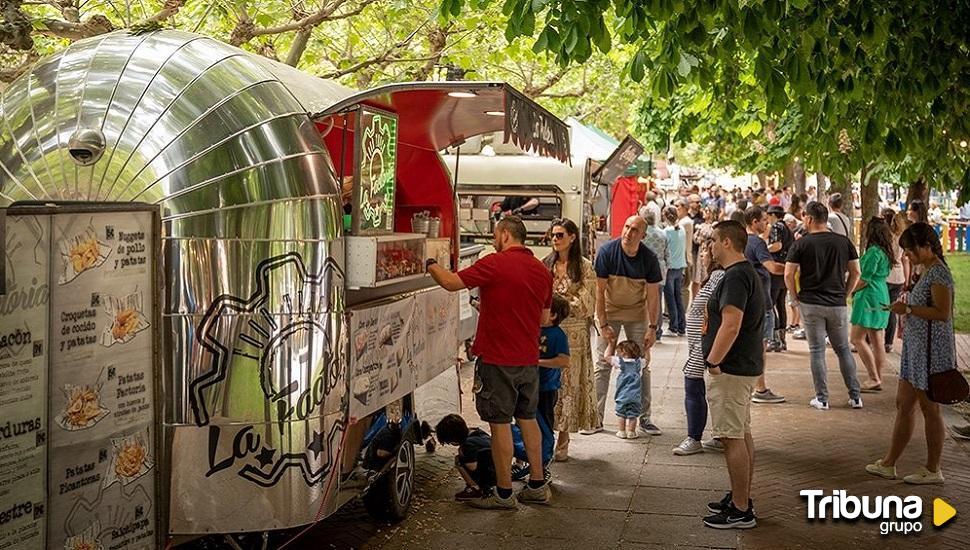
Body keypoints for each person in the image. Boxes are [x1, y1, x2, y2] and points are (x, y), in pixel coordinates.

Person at [426, 215, 551, 508]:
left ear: (505, 235)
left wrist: (430, 263)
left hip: (497, 359)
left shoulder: (494, 263)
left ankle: (504, 493)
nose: (494, 240)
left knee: (500, 424)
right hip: (528, 359)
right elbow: (543, 318)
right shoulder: (541, 270)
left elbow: (450, 282)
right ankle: (536, 483)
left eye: (496, 235)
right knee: (528, 419)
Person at [866, 223, 954, 485]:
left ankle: (933, 467)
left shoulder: (939, 273)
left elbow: (942, 312)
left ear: (926, 247)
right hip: (916, 351)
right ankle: (889, 463)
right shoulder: (926, 270)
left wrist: (909, 310)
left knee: (930, 409)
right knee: (904, 404)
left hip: (931, 353)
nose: (907, 256)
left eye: (910, 250)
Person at [702, 220, 762, 530]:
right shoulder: (742, 273)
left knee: (731, 436)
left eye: (713, 240)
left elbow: (731, 324)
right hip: (741, 366)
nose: (710, 245)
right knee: (741, 432)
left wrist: (713, 360)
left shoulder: (736, 277)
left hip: (731, 368)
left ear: (727, 242)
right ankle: (741, 497)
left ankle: (741, 509)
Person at [784, 202, 863, 410]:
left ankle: (822, 398)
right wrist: (845, 293)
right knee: (843, 349)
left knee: (817, 350)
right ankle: (855, 396)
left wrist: (795, 296)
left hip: (811, 303)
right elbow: (856, 272)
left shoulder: (801, 244)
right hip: (837, 303)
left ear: (809, 218)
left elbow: (788, 273)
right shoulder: (843, 242)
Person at [589, 215, 663, 437]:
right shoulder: (607, 252)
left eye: (634, 230)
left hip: (637, 313)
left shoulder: (649, 259)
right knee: (602, 363)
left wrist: (652, 327)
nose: (629, 233)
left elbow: (653, 296)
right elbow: (598, 292)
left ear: (643, 236)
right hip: (610, 311)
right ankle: (595, 417)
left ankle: (644, 418)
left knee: (641, 365)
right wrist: (602, 323)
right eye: (626, 227)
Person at [542, 219, 598, 461]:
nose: (555, 239)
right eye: (553, 235)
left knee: (569, 385)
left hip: (574, 334)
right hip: (548, 329)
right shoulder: (546, 265)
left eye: (560, 235)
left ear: (572, 237)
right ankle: (545, 435)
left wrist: (561, 303)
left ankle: (563, 437)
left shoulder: (584, 267)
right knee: (547, 383)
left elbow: (588, 303)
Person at [513, 294, 571, 478]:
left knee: (543, 425)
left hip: (545, 388)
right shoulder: (530, 328)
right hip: (524, 384)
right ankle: (521, 459)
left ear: (552, 315)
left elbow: (564, 360)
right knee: (521, 421)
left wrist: (537, 362)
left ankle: (543, 463)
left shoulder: (557, 335)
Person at [674, 263, 726, 456]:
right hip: (701, 341)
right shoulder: (714, 275)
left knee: (694, 383)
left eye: (706, 249)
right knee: (706, 386)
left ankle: (694, 438)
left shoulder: (720, 275)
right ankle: (719, 436)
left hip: (707, 341)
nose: (702, 254)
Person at [743, 207, 786, 403]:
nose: (766, 224)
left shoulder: (741, 241)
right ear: (754, 222)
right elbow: (772, 266)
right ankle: (760, 388)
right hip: (761, 302)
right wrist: (793, 269)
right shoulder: (757, 243)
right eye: (763, 221)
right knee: (760, 347)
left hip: (748, 300)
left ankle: (748, 385)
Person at [850, 218, 895, 392]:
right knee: (877, 340)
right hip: (881, 292)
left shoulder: (873, 252)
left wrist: (851, 290)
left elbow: (864, 279)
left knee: (856, 338)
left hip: (869, 296)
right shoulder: (885, 252)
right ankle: (877, 377)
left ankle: (873, 377)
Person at [436, 414, 495, 501]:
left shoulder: (468, 444)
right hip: (497, 471)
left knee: (459, 460)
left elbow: (472, 467)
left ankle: (475, 488)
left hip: (490, 477)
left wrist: (461, 454)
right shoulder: (477, 432)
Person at [766, 205, 794, 352]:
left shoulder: (776, 226)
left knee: (770, 303)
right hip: (785, 268)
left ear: (773, 215)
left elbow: (777, 245)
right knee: (780, 304)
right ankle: (782, 339)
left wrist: (765, 247)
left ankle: (774, 338)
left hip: (775, 269)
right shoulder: (788, 228)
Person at [605, 340, 645, 439]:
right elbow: (648, 360)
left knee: (621, 414)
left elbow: (606, 357)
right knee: (633, 415)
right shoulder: (639, 363)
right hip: (635, 396)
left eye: (618, 351)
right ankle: (631, 432)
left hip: (622, 396)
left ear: (623, 352)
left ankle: (621, 431)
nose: (617, 353)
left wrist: (610, 344)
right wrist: (647, 349)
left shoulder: (619, 362)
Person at [641, 210, 670, 341]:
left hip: (644, 270)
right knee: (657, 300)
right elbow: (667, 255)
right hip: (661, 269)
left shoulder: (643, 235)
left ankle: (646, 327)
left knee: (645, 300)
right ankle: (657, 329)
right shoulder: (663, 234)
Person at [883, 209, 909, 353]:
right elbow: (905, 259)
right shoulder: (902, 238)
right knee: (892, 309)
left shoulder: (887, 237)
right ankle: (888, 342)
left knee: (881, 306)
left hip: (887, 275)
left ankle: (872, 336)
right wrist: (907, 278)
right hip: (899, 277)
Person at [664, 206, 688, 337]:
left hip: (670, 267)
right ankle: (682, 326)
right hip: (680, 266)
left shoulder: (667, 231)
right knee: (678, 297)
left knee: (670, 298)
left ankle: (673, 326)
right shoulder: (681, 229)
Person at [692, 206, 718, 299]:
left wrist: (702, 237)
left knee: (706, 275)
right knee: (697, 278)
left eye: (707, 211)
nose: (704, 212)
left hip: (710, 253)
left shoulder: (715, 225)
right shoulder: (702, 225)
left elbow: (711, 235)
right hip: (700, 252)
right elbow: (695, 238)